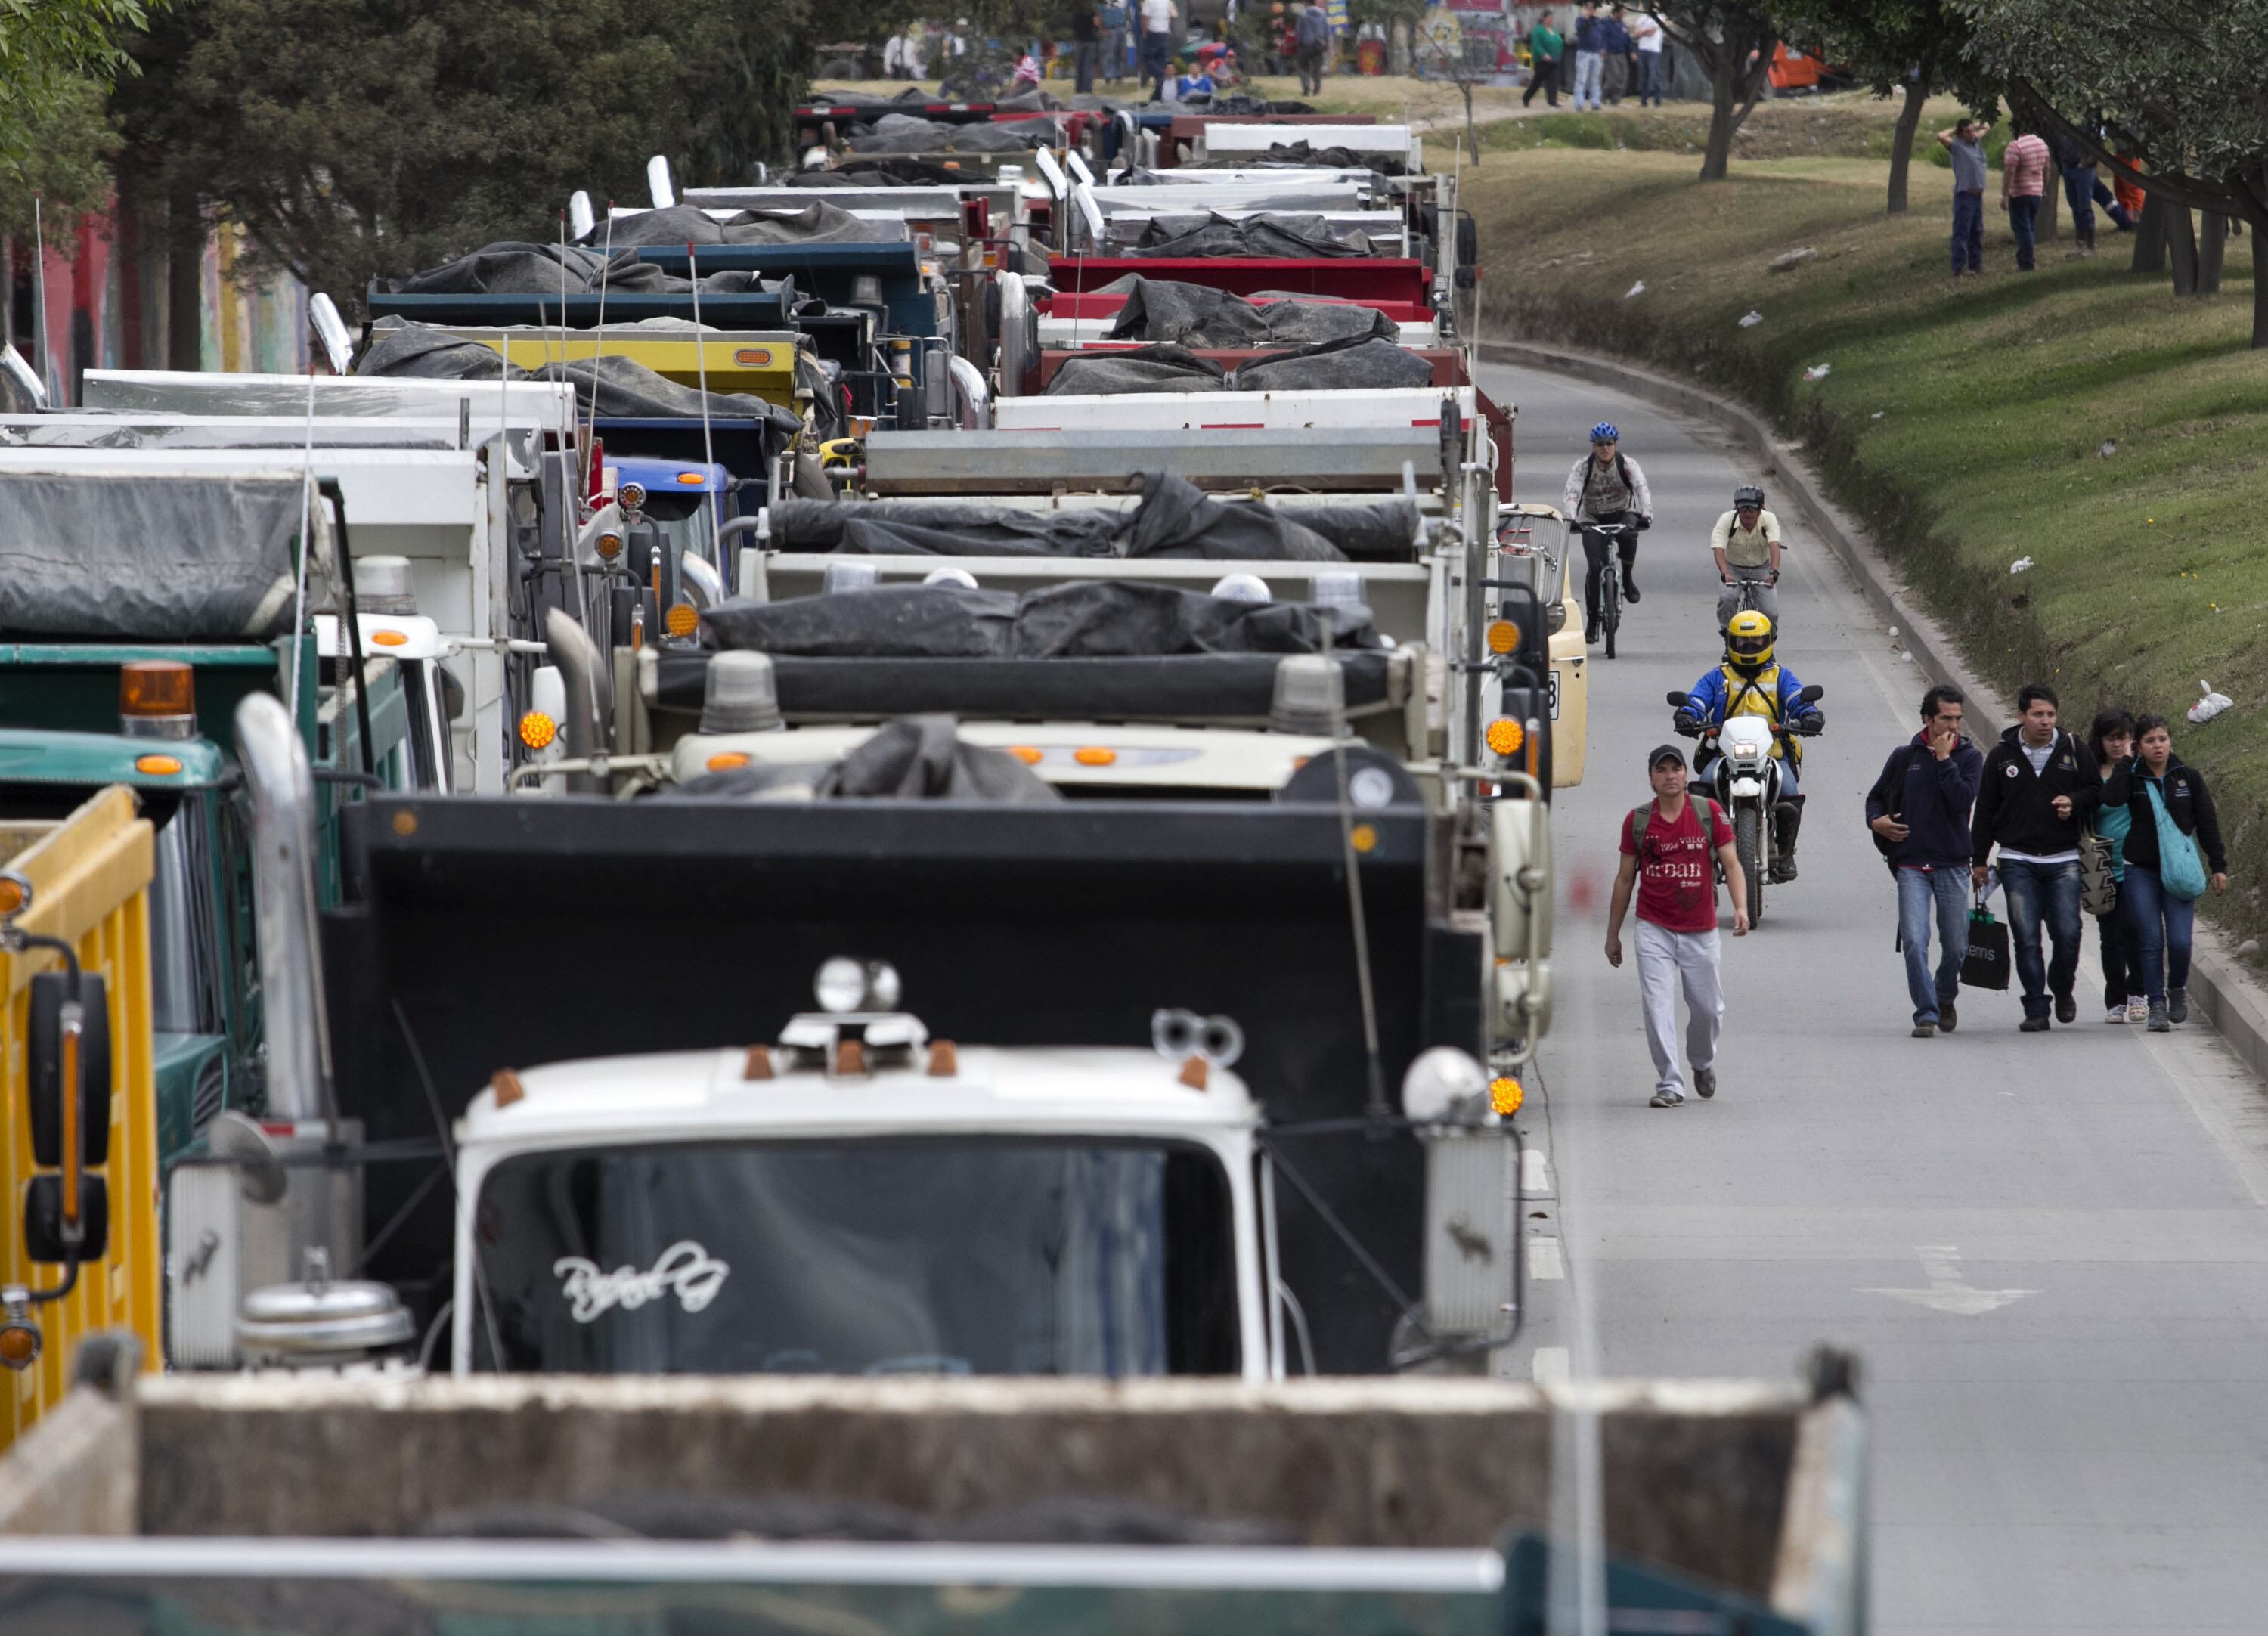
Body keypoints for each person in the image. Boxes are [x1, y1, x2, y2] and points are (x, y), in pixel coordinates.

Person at [1606, 744, 1749, 1108]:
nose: (1670, 776)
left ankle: (1701, 1061)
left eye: (1676, 769)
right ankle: (1670, 1083)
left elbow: (1732, 864)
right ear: (1651, 779)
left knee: (1709, 1009)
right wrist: (1613, 935)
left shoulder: (1709, 813)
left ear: (1686, 775)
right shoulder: (1638, 821)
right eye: (1662, 770)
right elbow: (1625, 880)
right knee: (1657, 1007)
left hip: (1701, 929)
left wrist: (1741, 907)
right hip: (1653, 928)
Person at [1970, 683, 2098, 1031]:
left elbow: (2095, 792)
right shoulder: (2002, 756)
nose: (2045, 721)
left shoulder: (2074, 749)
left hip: (2064, 859)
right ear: (2021, 716)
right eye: (2038, 714)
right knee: (2026, 937)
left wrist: (2075, 802)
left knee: (2068, 933)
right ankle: (2036, 1007)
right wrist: (1979, 860)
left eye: (2051, 714)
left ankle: (2062, 988)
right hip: (2017, 859)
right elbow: (1985, 810)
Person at [1867, 686, 1983, 1038]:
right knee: (1915, 941)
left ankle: (1944, 995)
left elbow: (1962, 799)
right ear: (1928, 719)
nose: (1954, 725)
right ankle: (1927, 1013)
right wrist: (1876, 822)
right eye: (1946, 718)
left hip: (1952, 863)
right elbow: (1876, 797)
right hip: (1911, 864)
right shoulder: (1905, 757)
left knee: (1957, 946)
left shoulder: (1970, 758)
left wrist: (1945, 760)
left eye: (1958, 718)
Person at [2100, 715, 2229, 1032]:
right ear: (2138, 746)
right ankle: (2156, 1003)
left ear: (2170, 741)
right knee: (2151, 940)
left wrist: (2218, 866)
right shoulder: (2132, 777)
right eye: (2149, 741)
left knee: (2181, 942)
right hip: (2139, 869)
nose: (2158, 746)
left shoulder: (2187, 778)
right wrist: (2125, 762)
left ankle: (2177, 989)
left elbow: (2207, 823)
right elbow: (2111, 798)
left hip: (2179, 871)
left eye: (2162, 739)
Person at [1674, 612, 1823, 881]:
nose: (1750, 646)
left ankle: (1786, 853)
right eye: (1743, 642)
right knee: (1702, 789)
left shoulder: (1781, 676)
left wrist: (1810, 714)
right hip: (1724, 753)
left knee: (1790, 793)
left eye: (1756, 641)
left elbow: (1798, 699)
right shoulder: (1717, 677)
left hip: (1772, 754)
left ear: (1770, 641)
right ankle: (1703, 852)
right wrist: (1687, 715)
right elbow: (1696, 701)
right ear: (1730, 642)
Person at [1560, 421, 1653, 644]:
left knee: (1629, 535)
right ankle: (1592, 621)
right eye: (1600, 444)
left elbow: (1641, 488)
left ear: (1615, 445)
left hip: (1622, 513)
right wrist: (1570, 519)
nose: (1605, 448)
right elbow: (1572, 492)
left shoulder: (1627, 464)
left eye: (1609, 444)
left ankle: (1627, 578)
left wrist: (1646, 514)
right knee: (1594, 567)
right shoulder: (1583, 467)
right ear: (1593, 447)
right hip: (1592, 517)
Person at [2085, 709, 2147, 1024]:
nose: (2118, 744)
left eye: (2124, 738)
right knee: (2110, 936)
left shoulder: (2140, 771)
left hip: (2137, 866)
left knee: (2135, 931)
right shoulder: (2090, 775)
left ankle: (2138, 993)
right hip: (2102, 868)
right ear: (2100, 741)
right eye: (2111, 738)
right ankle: (2115, 1000)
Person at [1710, 484, 1782, 630]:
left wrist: (1774, 571)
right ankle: (1727, 633)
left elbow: (1774, 545)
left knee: (1770, 613)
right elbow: (1718, 548)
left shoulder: (1769, 519)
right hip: (1733, 569)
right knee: (1727, 599)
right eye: (1743, 509)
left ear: (1760, 510)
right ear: (1737, 509)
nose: (1748, 514)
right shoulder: (1727, 520)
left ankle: (1769, 641)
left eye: (1752, 509)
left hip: (1762, 569)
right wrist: (1725, 573)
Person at [1937, 117, 1989, 277]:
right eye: (1968, 132)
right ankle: (1959, 267)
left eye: (1973, 131)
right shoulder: (1957, 147)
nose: (1972, 134)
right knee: (1962, 232)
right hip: (1965, 196)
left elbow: (1986, 126)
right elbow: (1941, 136)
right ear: (1960, 134)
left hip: (1978, 197)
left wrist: (1974, 126)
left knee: (1976, 231)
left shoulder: (1975, 142)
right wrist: (1956, 129)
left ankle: (1976, 264)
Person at [2001, 119, 2051, 272]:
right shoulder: (2041, 144)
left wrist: (2004, 195)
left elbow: (2009, 172)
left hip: (2020, 193)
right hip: (2036, 192)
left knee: (2021, 229)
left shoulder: (2015, 147)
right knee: (2029, 227)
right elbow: (2047, 168)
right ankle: (2024, 258)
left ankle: (2027, 262)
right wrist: (2044, 188)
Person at [1569, 2, 1606, 112]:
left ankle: (1595, 102)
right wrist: (1586, 19)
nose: (1590, 10)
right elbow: (1580, 29)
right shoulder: (1580, 20)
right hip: (1584, 52)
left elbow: (1602, 35)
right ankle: (1579, 103)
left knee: (1595, 80)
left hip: (1596, 53)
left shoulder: (1598, 21)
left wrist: (1603, 48)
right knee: (1581, 79)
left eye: (1592, 8)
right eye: (1588, 8)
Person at [1522, 10, 1563, 107]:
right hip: (1542, 60)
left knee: (1553, 80)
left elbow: (1558, 42)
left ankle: (1552, 101)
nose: (1551, 20)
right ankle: (1526, 97)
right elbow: (1536, 44)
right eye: (1549, 18)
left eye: (1552, 18)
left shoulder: (1554, 30)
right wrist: (1543, 54)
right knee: (1537, 81)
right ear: (1544, 19)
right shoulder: (1538, 30)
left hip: (1554, 59)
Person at [1141, 0, 1177, 99]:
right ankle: (1161, 81)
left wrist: (1144, 32)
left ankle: (1161, 76)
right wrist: (1169, 25)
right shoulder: (1167, 1)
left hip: (1153, 32)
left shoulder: (1148, 2)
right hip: (1164, 32)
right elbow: (1174, 15)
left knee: (1148, 57)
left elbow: (1145, 17)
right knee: (1161, 59)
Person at [1294, 0, 1331, 95]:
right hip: (1319, 45)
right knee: (1317, 68)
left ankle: (1306, 86)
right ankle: (1317, 89)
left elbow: (1299, 31)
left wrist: (1298, 43)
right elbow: (1327, 31)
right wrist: (1326, 45)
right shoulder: (1323, 14)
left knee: (1303, 66)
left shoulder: (1303, 14)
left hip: (1305, 44)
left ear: (1306, 3)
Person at [1629, 9, 1665, 105]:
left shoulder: (1659, 17)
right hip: (1642, 49)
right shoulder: (1642, 18)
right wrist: (1643, 32)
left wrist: (1642, 33)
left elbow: (1651, 32)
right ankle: (1644, 100)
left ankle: (1657, 100)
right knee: (1643, 76)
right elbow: (1636, 32)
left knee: (1655, 75)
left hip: (1654, 50)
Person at [1601, 5, 1633, 104]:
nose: (1624, 14)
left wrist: (1632, 51)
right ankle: (1603, 95)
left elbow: (1628, 39)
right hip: (1611, 54)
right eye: (1622, 12)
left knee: (1623, 76)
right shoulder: (1607, 24)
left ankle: (1616, 99)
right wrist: (1604, 50)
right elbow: (1604, 38)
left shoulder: (1623, 24)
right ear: (1616, 12)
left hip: (1622, 53)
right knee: (1613, 77)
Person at [1067, 4, 1100, 93]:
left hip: (1079, 40)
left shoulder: (1075, 10)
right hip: (1090, 40)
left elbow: (1073, 24)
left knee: (1079, 66)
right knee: (1088, 66)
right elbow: (1097, 23)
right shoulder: (1091, 9)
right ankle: (1088, 88)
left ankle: (1079, 88)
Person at [1101, 0, 1129, 85]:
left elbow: (1128, 13)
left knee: (1120, 53)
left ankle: (1119, 75)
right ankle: (1108, 76)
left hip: (1122, 28)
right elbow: (1099, 14)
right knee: (1109, 54)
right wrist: (1103, 29)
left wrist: (1128, 26)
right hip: (1110, 29)